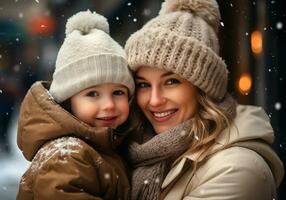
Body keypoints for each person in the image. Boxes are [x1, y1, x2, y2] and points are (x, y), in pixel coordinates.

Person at [124, 0, 284, 199]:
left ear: (203, 89)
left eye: (171, 81)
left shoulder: (237, 169)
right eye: (144, 84)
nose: (154, 101)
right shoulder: (136, 149)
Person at [16, 10, 135, 200]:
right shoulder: (66, 156)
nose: (109, 105)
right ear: (68, 101)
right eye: (93, 94)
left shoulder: (104, 146)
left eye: (118, 92)